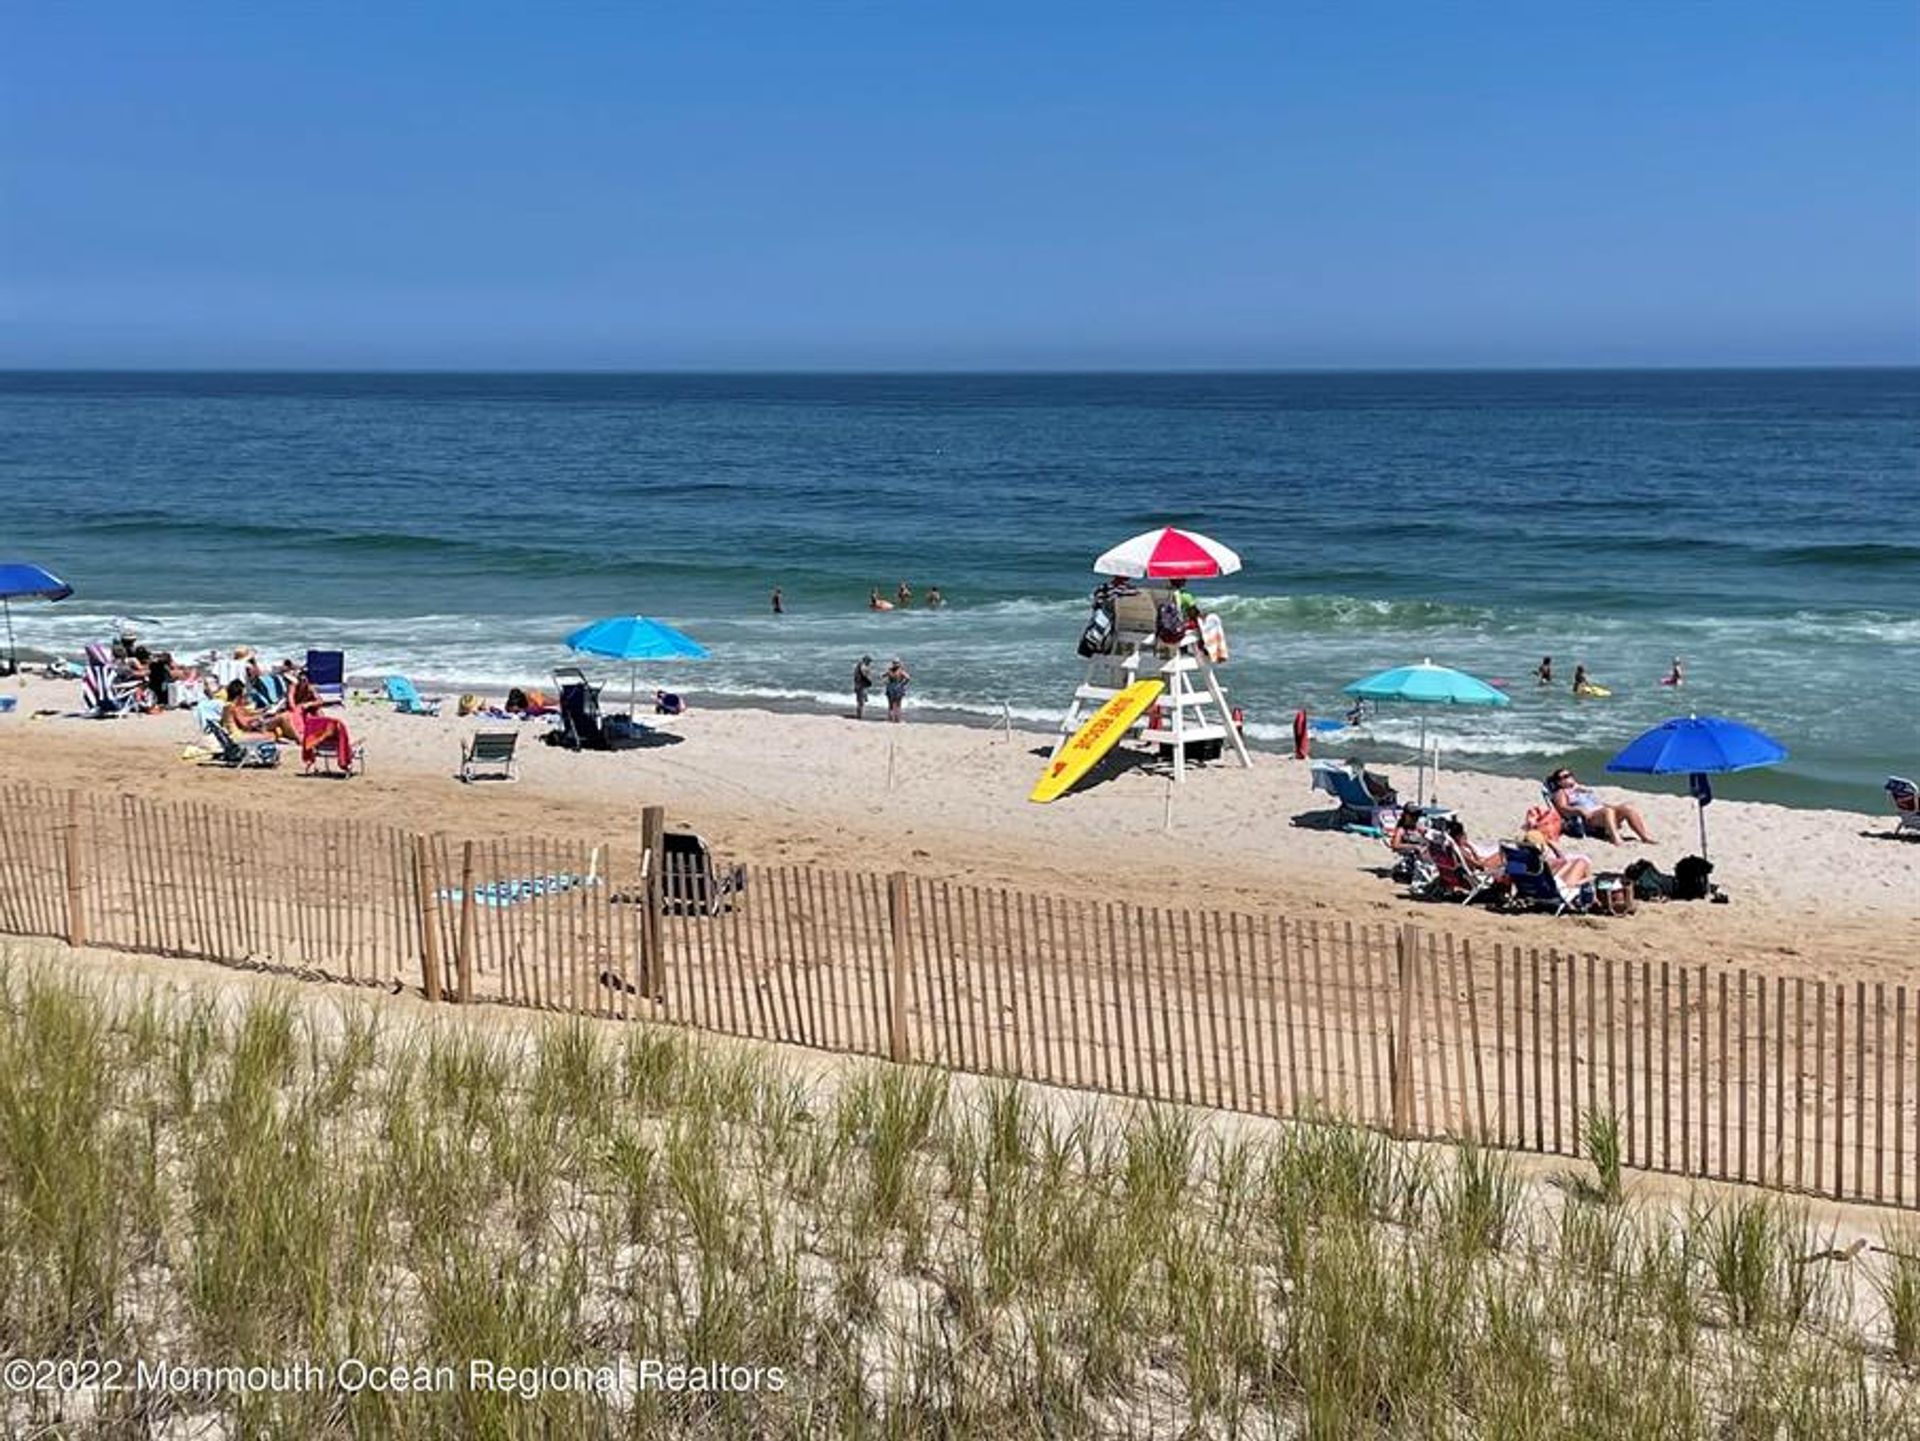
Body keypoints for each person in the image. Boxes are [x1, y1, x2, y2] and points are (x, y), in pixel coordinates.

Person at [1547, 767, 1656, 844]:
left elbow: (1597, 803)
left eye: (1570, 774)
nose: (1569, 777)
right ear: (1559, 782)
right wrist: (1578, 810)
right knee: (1607, 811)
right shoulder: (1561, 792)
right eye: (1565, 776)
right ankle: (1616, 839)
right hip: (1589, 818)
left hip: (1601, 812)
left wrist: (1615, 807)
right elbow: (1562, 808)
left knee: (1627, 809)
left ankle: (1644, 837)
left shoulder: (1580, 789)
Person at [219, 679, 300, 742]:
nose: (244, 697)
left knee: (282, 720)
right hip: (239, 736)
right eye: (243, 695)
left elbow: (246, 714)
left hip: (239, 733)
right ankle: (299, 739)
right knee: (274, 733)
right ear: (238, 696)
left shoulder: (230, 706)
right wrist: (261, 717)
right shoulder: (232, 707)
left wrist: (263, 711)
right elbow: (245, 724)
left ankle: (298, 738)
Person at [883, 658, 910, 723]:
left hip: (890, 687)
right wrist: (903, 684)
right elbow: (908, 678)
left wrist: (886, 682)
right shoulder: (901, 671)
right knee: (898, 705)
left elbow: (882, 675)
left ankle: (890, 719)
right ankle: (897, 719)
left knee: (890, 705)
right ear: (899, 664)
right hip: (898, 687)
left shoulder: (889, 670)